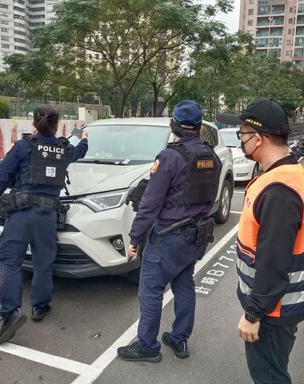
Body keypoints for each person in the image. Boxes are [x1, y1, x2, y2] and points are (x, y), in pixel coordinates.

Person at [216, 98, 304, 383]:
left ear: (258, 139)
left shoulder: (278, 190)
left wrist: (253, 314)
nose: (240, 142)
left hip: (274, 310)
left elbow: (273, 260)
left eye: (242, 135)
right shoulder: (284, 173)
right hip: (278, 304)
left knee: (269, 376)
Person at [117, 100, 222, 363]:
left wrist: (135, 238)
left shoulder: (169, 157)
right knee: (184, 283)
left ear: (173, 125)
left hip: (168, 236)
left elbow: (150, 204)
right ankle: (179, 338)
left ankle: (147, 346)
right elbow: (211, 198)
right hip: (196, 235)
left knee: (151, 289)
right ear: (199, 128)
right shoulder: (212, 157)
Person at [0, 105, 89, 344]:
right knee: (43, 262)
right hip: (47, 216)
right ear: (57, 125)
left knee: (11, 262)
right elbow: (79, 152)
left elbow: (2, 175)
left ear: (34, 123)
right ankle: (40, 307)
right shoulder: (63, 149)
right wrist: (84, 139)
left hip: (21, 214)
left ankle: (10, 313)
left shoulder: (24, 146)